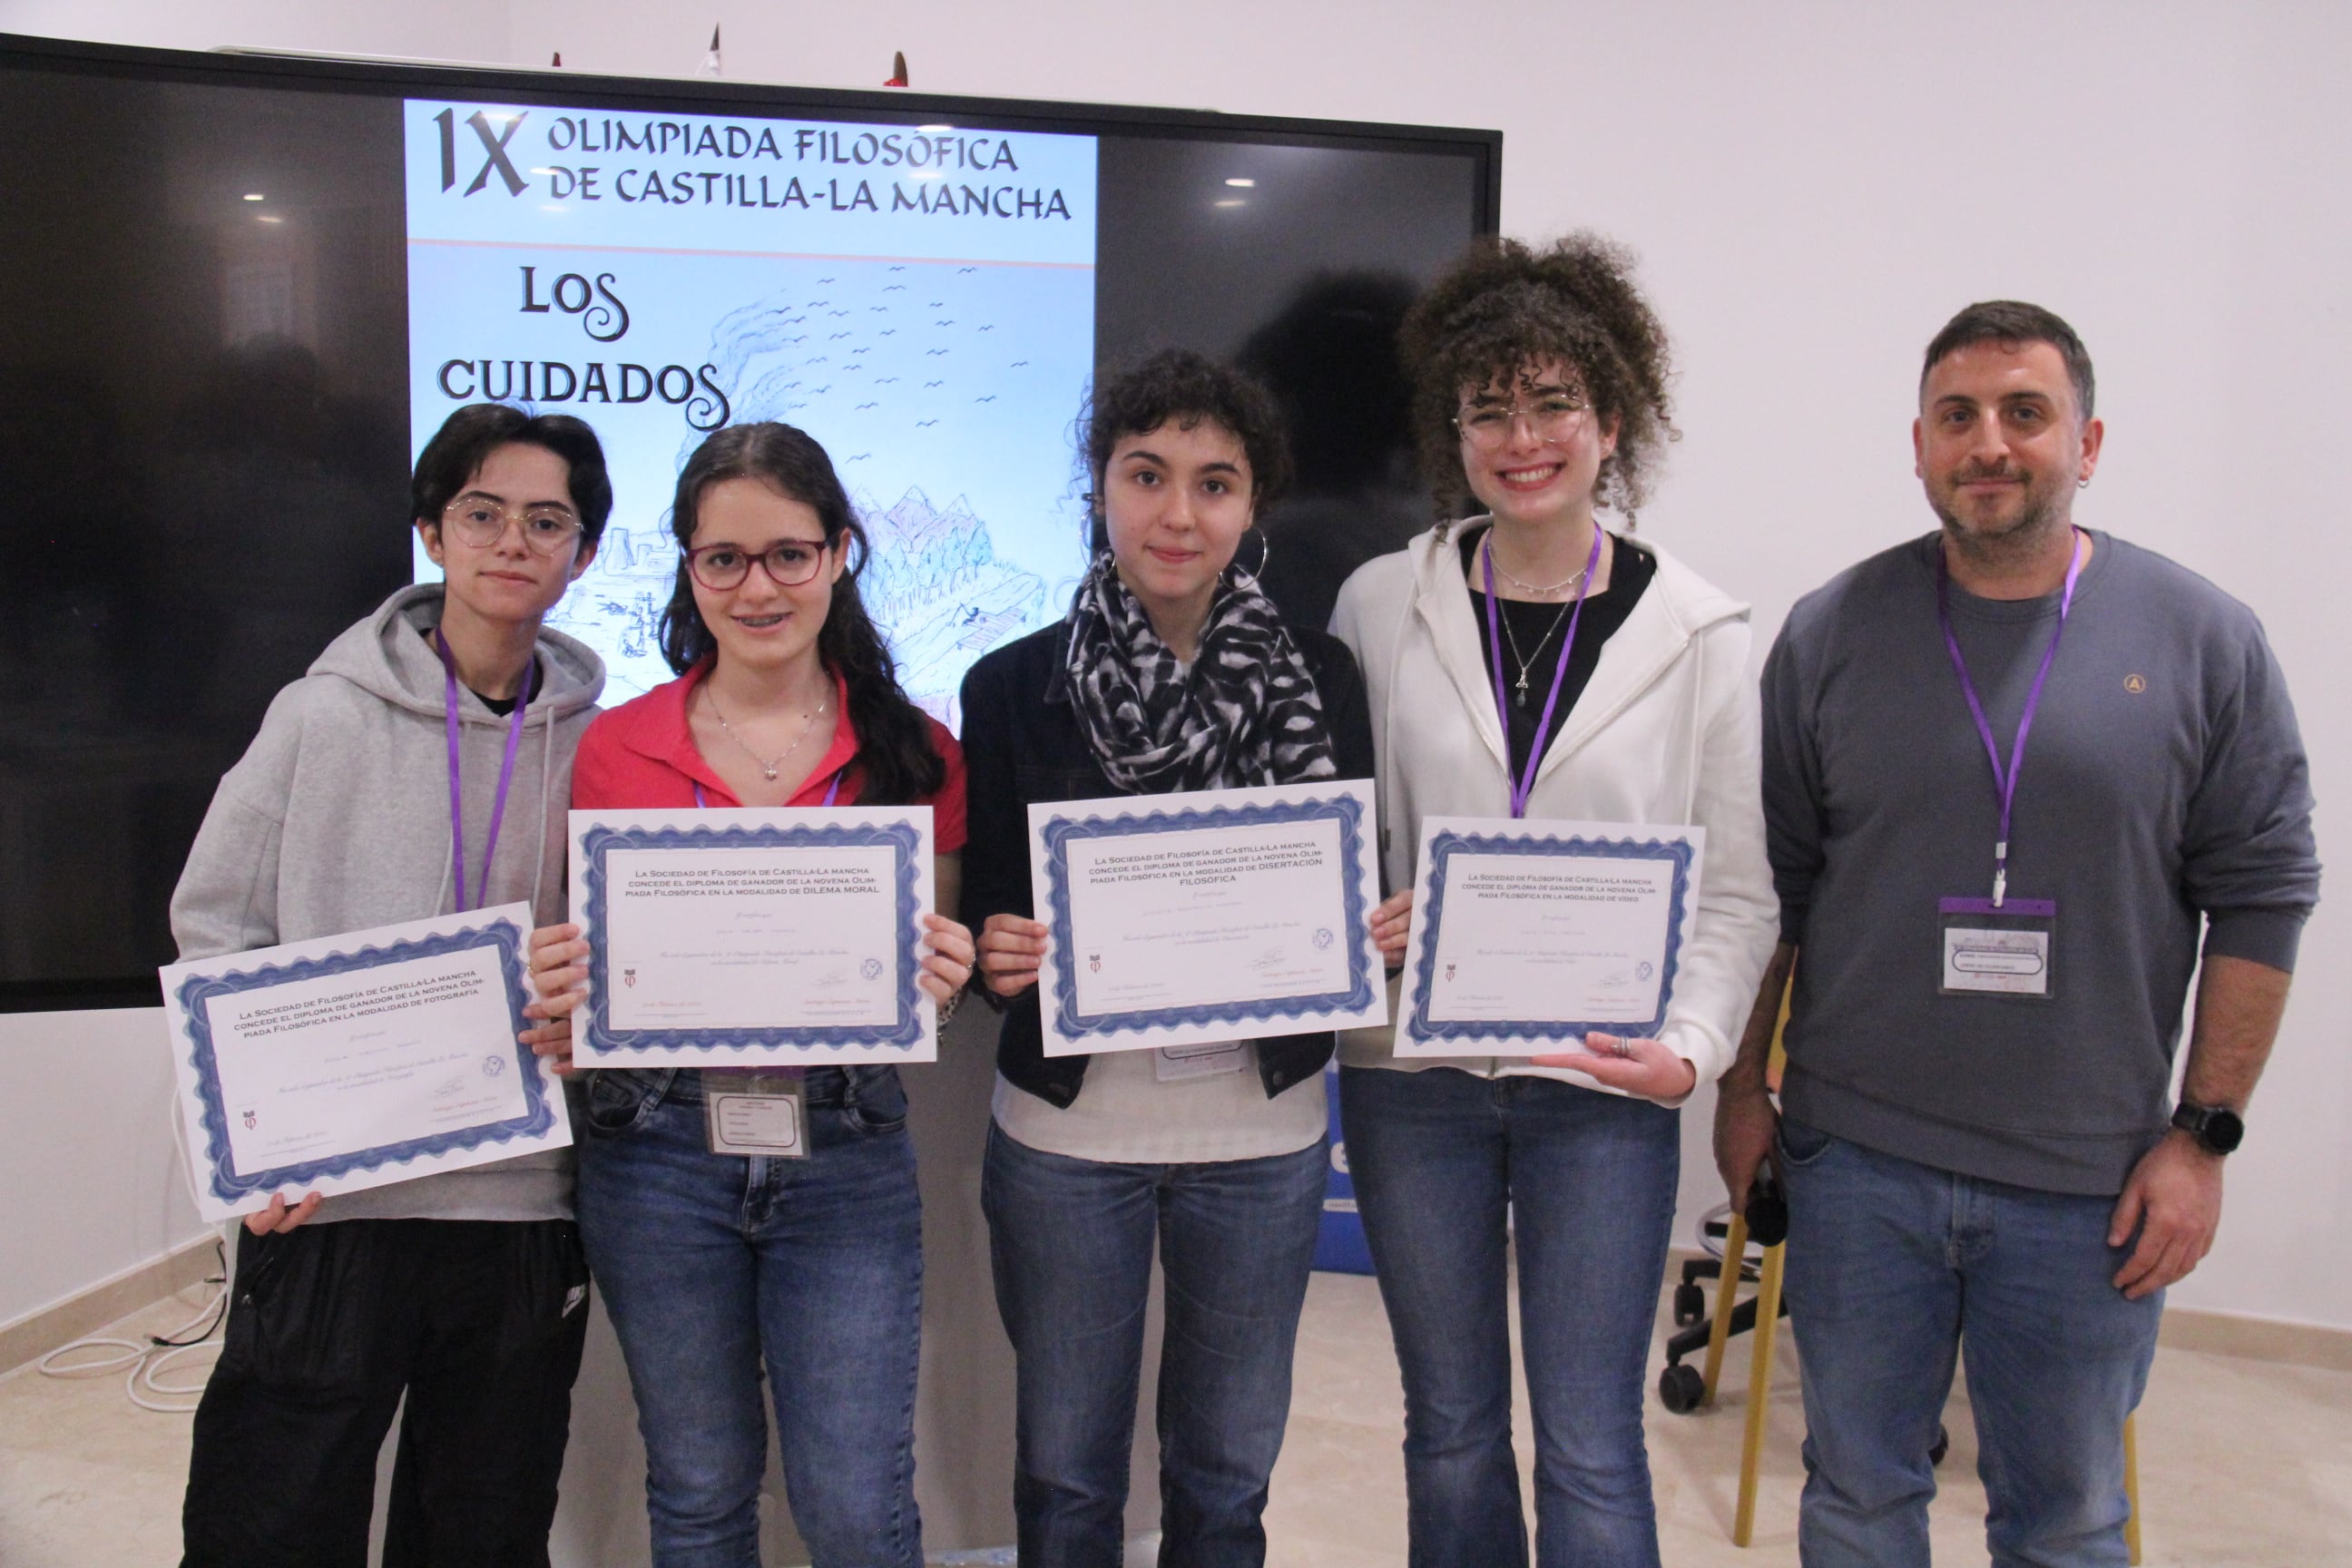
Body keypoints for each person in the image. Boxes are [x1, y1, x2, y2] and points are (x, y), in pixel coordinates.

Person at [1715, 300, 2321, 1567]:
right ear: (1920, 445)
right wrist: (1743, 1084)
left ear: (2087, 441)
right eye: (1958, 417)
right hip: (1856, 1160)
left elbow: (2262, 895)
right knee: (1857, 1498)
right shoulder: (1831, 632)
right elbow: (1775, 884)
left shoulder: (2202, 640)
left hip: (2087, 1184)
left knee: (2066, 1521)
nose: (1989, 444)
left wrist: (2201, 1137)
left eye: (2024, 414)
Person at [1328, 234, 1779, 1568]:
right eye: (1488, 410)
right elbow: (1339, 838)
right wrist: (1371, 912)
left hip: (1603, 1088)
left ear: (1611, 419)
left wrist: (1688, 1051)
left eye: (1552, 405)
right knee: (1451, 1425)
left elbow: (1742, 893)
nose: (1521, 438)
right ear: (1450, 428)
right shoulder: (1380, 601)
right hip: (1418, 1080)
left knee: (1590, 1439)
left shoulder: (1702, 633)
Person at [171, 403, 612, 1567]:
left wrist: (595, 1018)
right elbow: (216, 923)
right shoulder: (320, 715)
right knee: (271, 1516)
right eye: (482, 512)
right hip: (336, 1201)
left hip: (519, 1207)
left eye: (547, 519)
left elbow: (628, 956)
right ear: (432, 530)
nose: (513, 541)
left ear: (584, 553)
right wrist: (255, 1144)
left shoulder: (601, 742)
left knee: (482, 1522)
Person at [534, 421, 975, 1568]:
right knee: (697, 1492)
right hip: (655, 1151)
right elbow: (592, 961)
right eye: (723, 558)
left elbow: (934, 969)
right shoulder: (616, 749)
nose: (758, 586)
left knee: (856, 1507)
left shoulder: (917, 756)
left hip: (845, 1152)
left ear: (838, 555)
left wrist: (948, 969)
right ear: (689, 570)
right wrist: (571, 994)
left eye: (788, 553)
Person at [960, 348, 1374, 1566]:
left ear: (1254, 506)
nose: (1178, 514)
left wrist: (1367, 929)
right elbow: (990, 905)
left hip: (1262, 1141)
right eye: (1147, 475)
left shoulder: (1323, 679)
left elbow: (1340, 891)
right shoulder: (1014, 683)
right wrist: (1000, 948)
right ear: (1101, 488)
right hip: (1068, 1142)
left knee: (1227, 1475)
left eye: (1215, 482)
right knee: (1067, 1476)